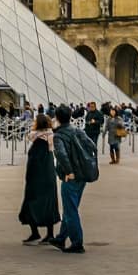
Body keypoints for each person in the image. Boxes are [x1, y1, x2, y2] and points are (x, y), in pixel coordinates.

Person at [50, 105, 98, 254]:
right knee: (71, 208)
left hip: (71, 177)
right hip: (82, 175)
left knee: (70, 210)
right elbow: (92, 146)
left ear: (57, 118)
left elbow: (62, 155)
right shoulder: (78, 130)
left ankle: (77, 243)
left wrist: (69, 171)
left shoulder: (59, 136)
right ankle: (61, 238)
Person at [19, 114, 60, 245]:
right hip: (49, 176)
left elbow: (34, 161)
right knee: (49, 203)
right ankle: (50, 234)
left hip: (36, 177)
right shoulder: (51, 137)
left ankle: (35, 233)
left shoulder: (37, 139)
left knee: (31, 202)